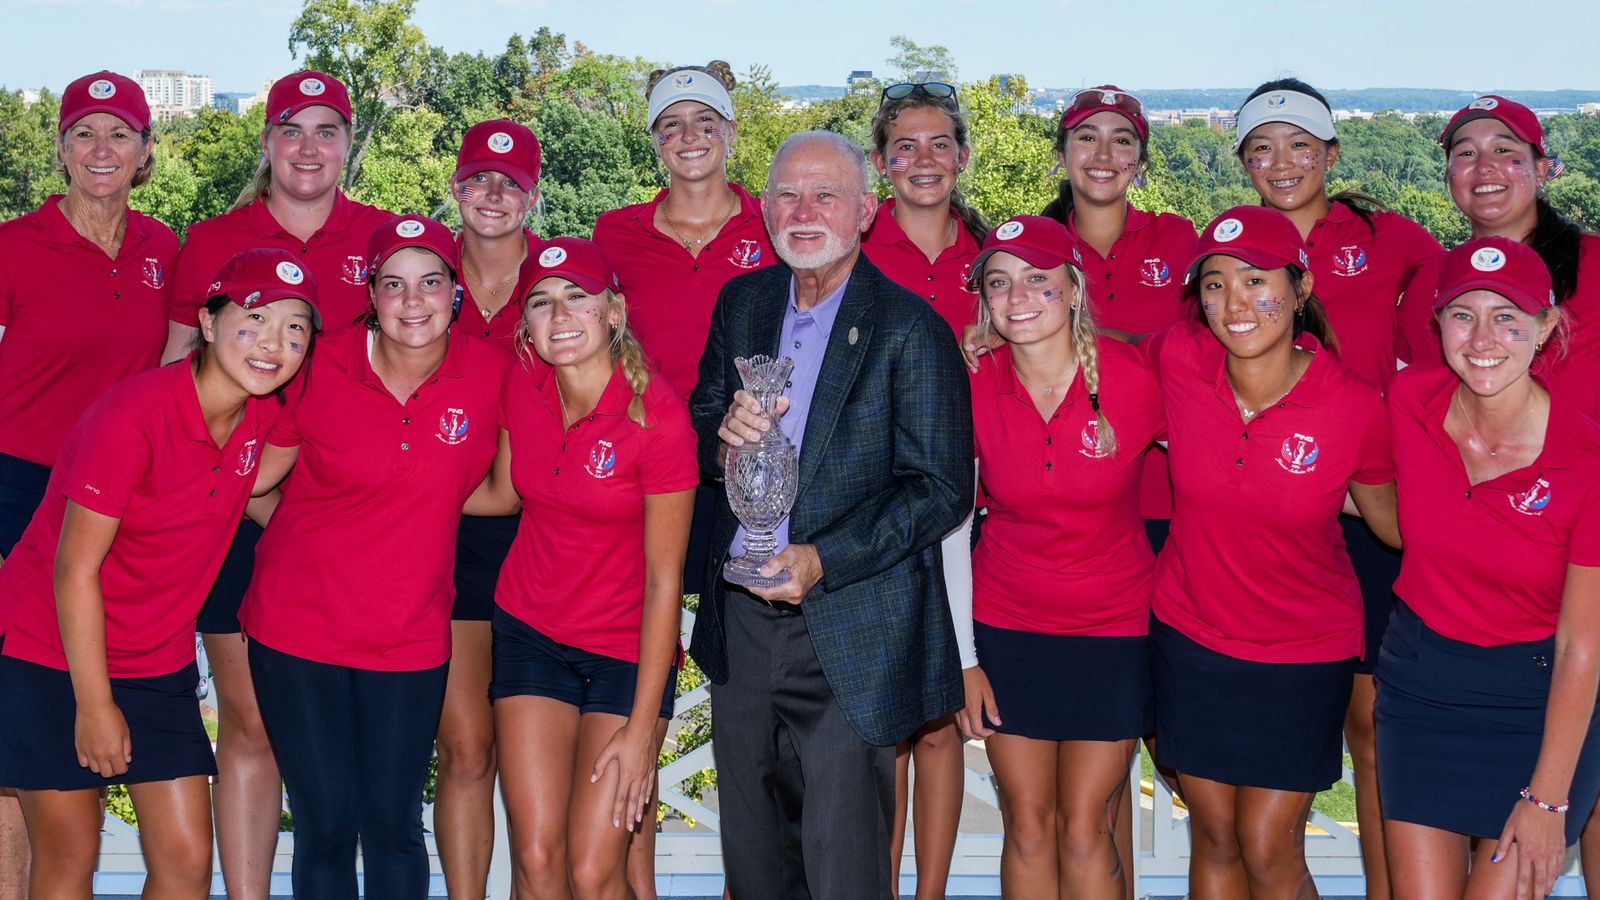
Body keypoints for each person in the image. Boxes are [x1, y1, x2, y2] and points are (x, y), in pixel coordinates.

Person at [689, 130, 973, 898]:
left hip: (851, 624)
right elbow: (705, 412)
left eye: (825, 195)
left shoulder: (911, 328)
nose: (803, 211)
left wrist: (823, 558)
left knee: (844, 868)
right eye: (787, 193)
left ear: (866, 211)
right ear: (765, 206)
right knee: (753, 862)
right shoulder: (742, 302)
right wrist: (723, 443)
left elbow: (942, 486)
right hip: (743, 623)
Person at [0, 248, 318, 899]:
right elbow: (73, 570)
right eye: (254, 319)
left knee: (186, 860)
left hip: (157, 658)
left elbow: (258, 483)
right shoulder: (132, 417)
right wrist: (95, 706)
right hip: (51, 651)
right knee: (71, 854)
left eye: (295, 329)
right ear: (207, 322)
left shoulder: (265, 415)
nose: (274, 342)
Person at [159, 69, 395, 900]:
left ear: (348, 145)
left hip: (351, 524)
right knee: (250, 722)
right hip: (236, 516)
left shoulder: (384, 243)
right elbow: (172, 374)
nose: (308, 146)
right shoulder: (212, 238)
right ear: (265, 141)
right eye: (291, 128)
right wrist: (218, 492)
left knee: (359, 732)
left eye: (327, 130)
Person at [237, 217, 508, 900]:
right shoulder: (320, 361)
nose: (411, 302)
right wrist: (289, 532)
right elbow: (247, 478)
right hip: (298, 631)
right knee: (327, 826)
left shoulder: (492, 373)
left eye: (429, 283)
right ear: (370, 293)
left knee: (392, 826)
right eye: (393, 284)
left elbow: (506, 493)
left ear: (455, 293)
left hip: (410, 638)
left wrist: (423, 493)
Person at [1149, 206, 1398, 900]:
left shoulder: (1353, 407)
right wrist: (998, 334)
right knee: (1216, 835)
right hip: (1191, 636)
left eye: (1256, 280)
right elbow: (1094, 356)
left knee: (1267, 844)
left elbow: (1399, 525)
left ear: (1300, 286)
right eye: (1215, 284)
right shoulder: (1179, 358)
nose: (1235, 303)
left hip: (1301, 653)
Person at [1232, 79, 1442, 898]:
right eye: (1261, 149)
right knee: (1309, 724)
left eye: (1298, 145)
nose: (1281, 163)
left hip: (1372, 503)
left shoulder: (1392, 238)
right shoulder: (1237, 245)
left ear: (1331, 154)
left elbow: (1451, 339)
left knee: (1374, 727)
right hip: (1286, 511)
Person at [465, 237, 697, 898]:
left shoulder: (658, 421)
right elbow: (505, 493)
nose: (559, 315)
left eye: (577, 298)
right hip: (530, 631)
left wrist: (643, 731)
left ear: (614, 312)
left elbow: (664, 584)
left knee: (594, 873)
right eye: (541, 302)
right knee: (537, 861)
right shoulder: (524, 384)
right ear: (526, 327)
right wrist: (399, 494)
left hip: (624, 652)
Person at [592, 62, 775, 894]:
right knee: (644, 683)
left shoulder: (775, 224)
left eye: (707, 122)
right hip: (650, 481)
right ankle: (639, 883)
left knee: (756, 686)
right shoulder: (614, 234)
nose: (690, 138)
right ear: (654, 140)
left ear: (733, 135)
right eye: (672, 124)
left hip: (755, 481)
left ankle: (757, 878)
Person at [1378, 236, 1600, 900]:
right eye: (1463, 313)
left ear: (1546, 329)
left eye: (1508, 316)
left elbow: (1581, 642)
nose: (1483, 337)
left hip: (1540, 705)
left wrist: (1549, 799)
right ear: (1437, 324)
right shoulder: (1408, 401)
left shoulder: (1587, 458)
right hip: (1421, 690)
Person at [0, 69, 176, 888]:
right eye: (83, 133)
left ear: (145, 152)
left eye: (119, 134)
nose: (101, 150)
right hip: (19, 491)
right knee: (16, 731)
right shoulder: (12, 246)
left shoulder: (161, 250)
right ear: (61, 148)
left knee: (97, 691)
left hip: (119, 506)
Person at [956, 215, 1162, 899]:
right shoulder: (974, 382)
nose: (1017, 298)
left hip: (1113, 630)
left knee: (1084, 825)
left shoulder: (1135, 377)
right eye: (999, 283)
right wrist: (964, 659)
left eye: (1038, 281)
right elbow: (950, 528)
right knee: (1030, 824)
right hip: (1009, 629)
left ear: (1073, 289)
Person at [861, 79, 987, 897]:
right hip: (876, 504)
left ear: (964, 155)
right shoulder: (852, 246)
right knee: (887, 726)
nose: (922, 160)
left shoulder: (999, 259)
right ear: (880, 163)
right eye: (903, 146)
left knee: (940, 721)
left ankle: (931, 891)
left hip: (973, 502)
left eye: (939, 143)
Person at [438, 116, 542, 900]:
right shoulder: (420, 276)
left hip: (547, 534)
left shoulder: (562, 279)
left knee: (537, 753)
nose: (494, 194)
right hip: (448, 531)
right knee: (468, 748)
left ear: (533, 196)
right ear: (457, 189)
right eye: (480, 179)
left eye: (511, 182)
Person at [1398, 95, 1600, 416]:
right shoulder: (1428, 284)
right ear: (1449, 176)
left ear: (1541, 169)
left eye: (1503, 150)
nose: (1483, 166)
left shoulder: (1594, 264)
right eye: (1465, 153)